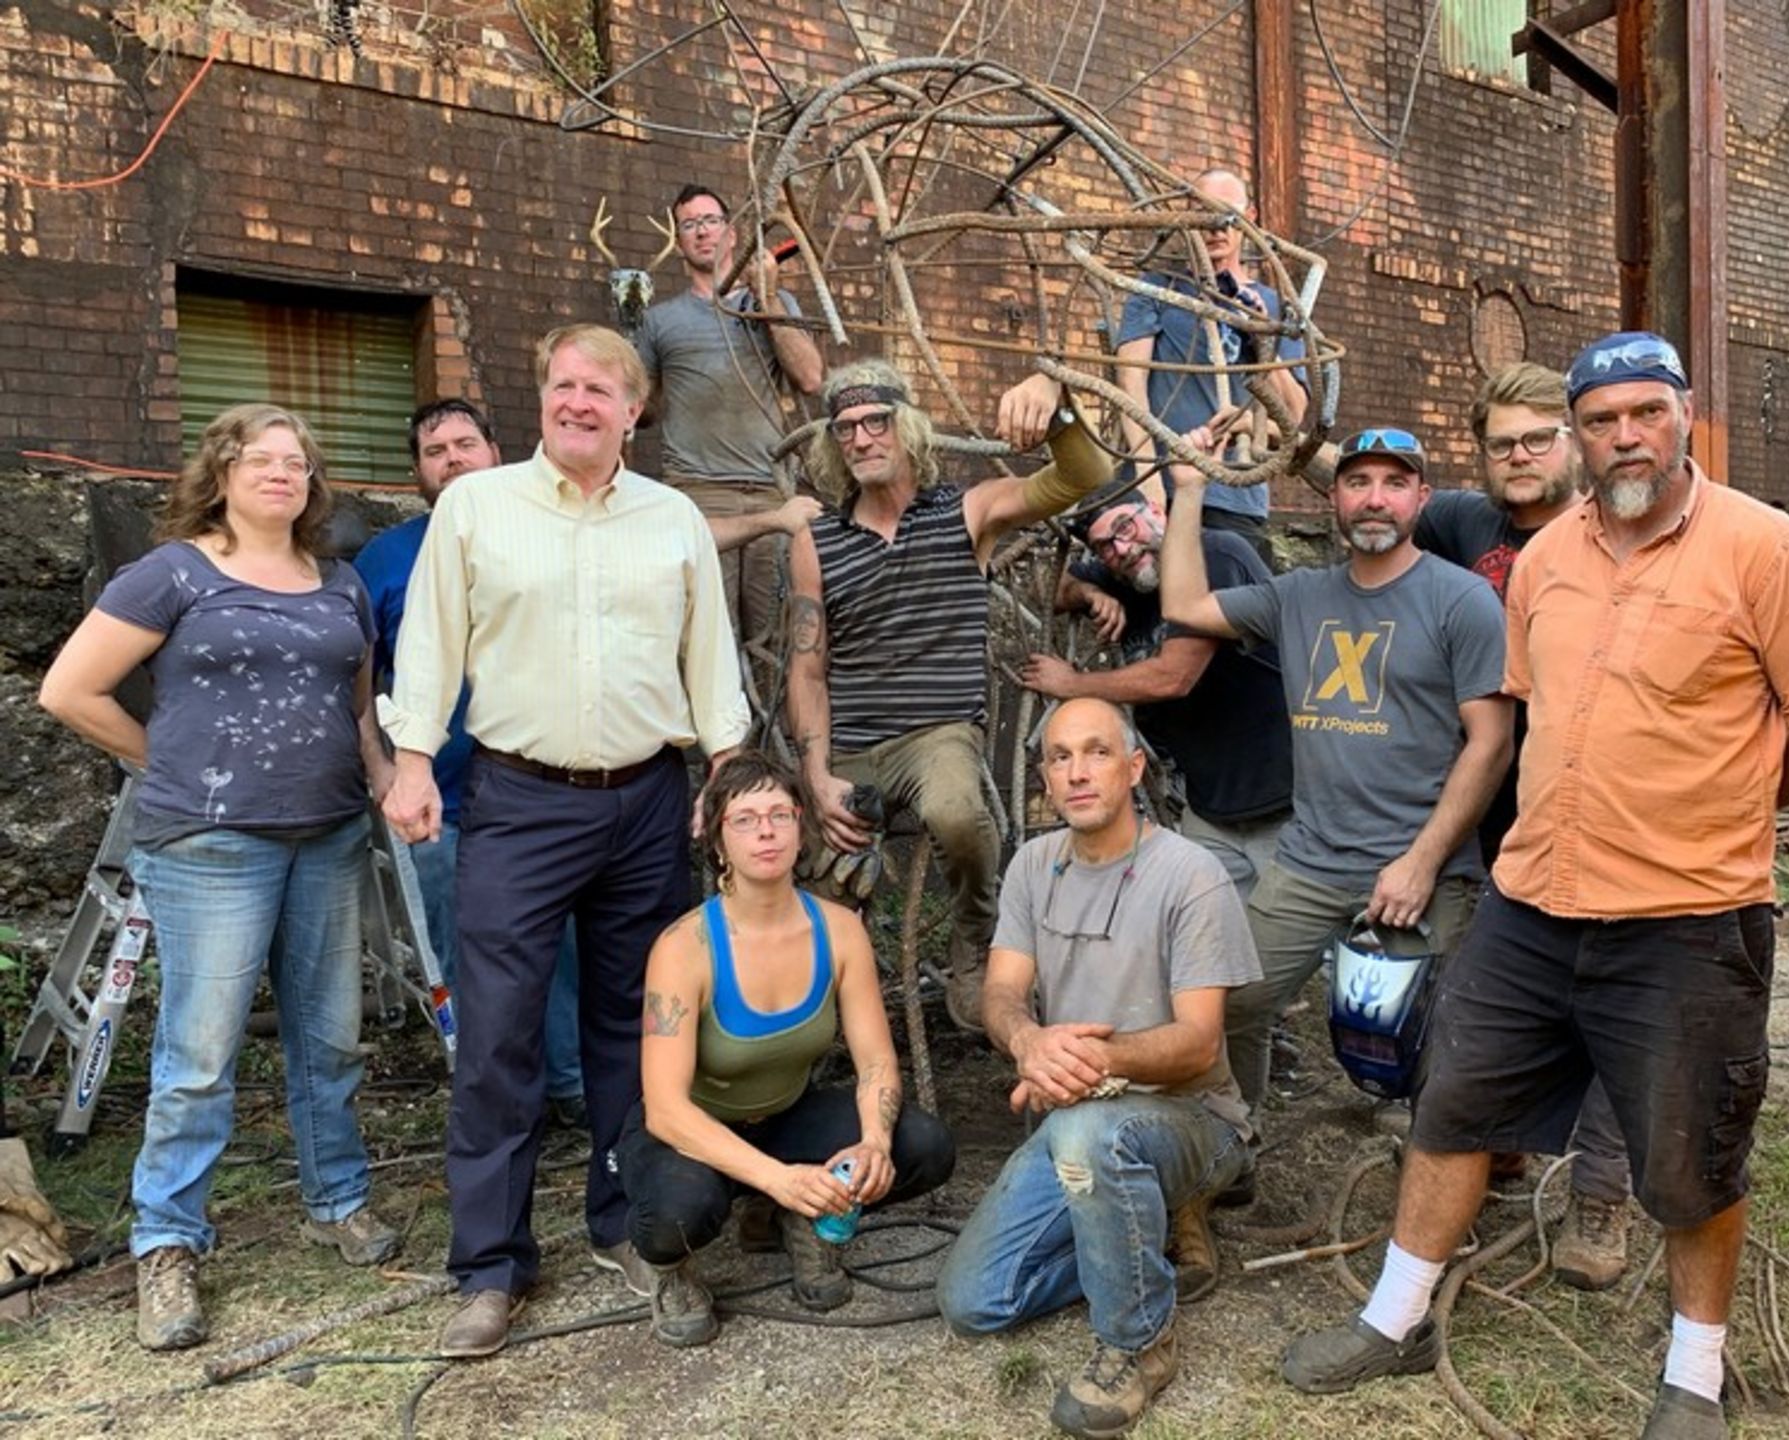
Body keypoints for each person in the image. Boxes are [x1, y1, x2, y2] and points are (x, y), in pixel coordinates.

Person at [1280, 333, 1789, 1440]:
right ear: (1578, 437)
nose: (1625, 436)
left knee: (1694, 1152)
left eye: (1646, 412)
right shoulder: (1548, 558)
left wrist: (1730, 807)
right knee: (1453, 1105)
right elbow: (1526, 714)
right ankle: (1396, 1319)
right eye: (1603, 420)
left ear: (1684, 415)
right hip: (1535, 899)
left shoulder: (1767, 549)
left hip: (1690, 914)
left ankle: (1694, 1376)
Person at [381, 324, 750, 1359]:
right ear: (541, 395)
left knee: (637, 1031)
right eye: (562, 384)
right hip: (518, 800)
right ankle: (491, 1267)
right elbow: (430, 644)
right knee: (498, 1033)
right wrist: (412, 759)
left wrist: (725, 764)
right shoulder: (477, 506)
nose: (577, 402)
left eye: (600, 389)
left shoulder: (670, 516)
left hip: (645, 803)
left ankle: (634, 1231)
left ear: (635, 411)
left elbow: (708, 653)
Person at [39, 404, 400, 1350]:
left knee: (330, 1040)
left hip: (326, 835)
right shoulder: (173, 573)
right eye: (261, 459)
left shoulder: (343, 583)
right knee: (200, 1058)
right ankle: (167, 1241)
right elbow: (70, 689)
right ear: (224, 472)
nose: (282, 473)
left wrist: (387, 778)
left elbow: (357, 713)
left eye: (298, 462)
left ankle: (338, 1199)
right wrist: (162, 760)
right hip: (208, 847)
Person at [1159, 426, 1513, 1119]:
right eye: (1358, 482)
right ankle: (1230, 1146)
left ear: (1421, 498)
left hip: (1424, 870)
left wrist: (1420, 863)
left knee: (1434, 1045)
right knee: (1226, 1008)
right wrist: (1190, 492)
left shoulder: (1462, 600)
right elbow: (1183, 606)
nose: (1374, 499)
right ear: (1334, 498)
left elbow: (1491, 744)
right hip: (1309, 864)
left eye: (1393, 483)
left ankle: (1431, 1208)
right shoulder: (1297, 596)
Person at [936, 698, 1261, 1439]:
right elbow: (1001, 993)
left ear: (1135, 767)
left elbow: (1200, 1043)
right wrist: (1026, 1042)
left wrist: (1087, 1060)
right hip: (1079, 1129)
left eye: (1097, 752)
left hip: (1194, 1122)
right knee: (974, 1300)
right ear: (1045, 778)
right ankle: (1145, 1240)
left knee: (1088, 1130)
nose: (1077, 772)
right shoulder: (1030, 867)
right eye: (1059, 757)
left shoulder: (1190, 875)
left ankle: (1140, 1344)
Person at [787, 360, 1114, 1032]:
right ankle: (818, 1020)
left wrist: (1055, 398)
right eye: (845, 428)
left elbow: (1086, 477)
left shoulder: (966, 511)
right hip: (851, 742)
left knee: (958, 813)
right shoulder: (815, 541)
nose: (861, 438)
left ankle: (976, 938)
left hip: (936, 734)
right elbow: (807, 669)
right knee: (819, 879)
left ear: (906, 427)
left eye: (875, 421)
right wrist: (816, 776)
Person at [612, 752, 955, 1345]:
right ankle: (672, 1272)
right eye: (745, 820)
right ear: (718, 842)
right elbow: (666, 1108)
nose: (766, 831)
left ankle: (804, 1219)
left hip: (786, 1114)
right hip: (692, 1129)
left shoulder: (839, 929)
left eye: (779, 815)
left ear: (802, 829)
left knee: (922, 1146)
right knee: (676, 1214)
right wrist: (779, 1179)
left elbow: (875, 1062)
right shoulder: (684, 946)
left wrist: (872, 1141)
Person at [1416, 361, 1632, 1290]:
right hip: (1499, 809)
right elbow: (1363, 500)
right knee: (1504, 991)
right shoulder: (1464, 525)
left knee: (1621, 1004)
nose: (1519, 457)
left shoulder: (1614, 533)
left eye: (1539, 438)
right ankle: (1498, 1144)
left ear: (1574, 443)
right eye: (1501, 442)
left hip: (1607, 806)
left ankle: (1602, 1190)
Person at [352, 399, 587, 1129]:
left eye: (464, 444)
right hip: (443, 801)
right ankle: (504, 1102)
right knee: (470, 956)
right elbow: (358, 686)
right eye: (434, 451)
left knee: (563, 948)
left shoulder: (552, 533)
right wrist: (381, 771)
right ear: (418, 472)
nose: (451, 459)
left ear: (496, 450)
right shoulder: (386, 558)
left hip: (549, 790)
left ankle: (573, 1085)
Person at [1021, 466, 1292, 902]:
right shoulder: (1127, 577)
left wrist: (1073, 685)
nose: (1122, 549)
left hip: (1285, 805)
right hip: (1211, 811)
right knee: (1208, 943)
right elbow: (1049, 590)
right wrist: (1091, 595)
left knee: (1294, 953)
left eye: (1126, 527)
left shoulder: (1216, 553)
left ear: (1157, 512)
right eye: (1104, 546)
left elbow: (1175, 676)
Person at [639, 184, 825, 656]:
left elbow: (809, 377)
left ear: (732, 232)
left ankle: (771, 734)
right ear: (678, 240)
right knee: (706, 646)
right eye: (689, 224)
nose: (702, 232)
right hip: (698, 496)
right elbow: (640, 413)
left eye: (711, 221)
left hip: (771, 489)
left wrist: (769, 299)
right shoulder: (660, 321)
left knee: (773, 648)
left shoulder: (773, 303)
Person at [1115, 167, 1307, 569]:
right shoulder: (1156, 288)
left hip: (1236, 500)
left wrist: (1262, 339)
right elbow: (1129, 388)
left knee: (1229, 622)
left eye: (1227, 216)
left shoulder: (1277, 306)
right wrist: (1149, 486)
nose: (1215, 228)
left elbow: (1292, 419)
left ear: (1250, 218)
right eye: (1204, 214)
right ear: (1187, 217)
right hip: (1162, 489)